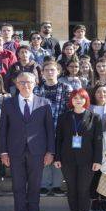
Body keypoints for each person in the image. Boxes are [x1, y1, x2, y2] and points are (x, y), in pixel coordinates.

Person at [0, 72, 55, 211]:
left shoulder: (44, 103)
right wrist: (3, 152)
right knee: (18, 187)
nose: (25, 85)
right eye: (22, 82)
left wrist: (50, 151)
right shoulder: (8, 103)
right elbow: (3, 129)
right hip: (15, 152)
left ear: (35, 83)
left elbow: (49, 130)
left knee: (35, 187)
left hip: (37, 152)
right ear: (16, 84)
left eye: (29, 82)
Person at [54, 89, 103, 211]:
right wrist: (57, 157)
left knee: (83, 189)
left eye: (81, 98)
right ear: (71, 100)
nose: (78, 100)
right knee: (72, 189)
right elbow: (59, 139)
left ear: (86, 100)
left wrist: (97, 160)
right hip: (67, 159)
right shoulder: (64, 117)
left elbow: (98, 140)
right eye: (75, 98)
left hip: (87, 160)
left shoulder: (95, 118)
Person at [34, 61, 72, 196]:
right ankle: (44, 185)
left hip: (61, 128)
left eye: (52, 70)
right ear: (42, 73)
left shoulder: (66, 88)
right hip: (41, 129)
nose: (50, 72)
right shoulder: (37, 89)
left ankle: (56, 185)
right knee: (44, 155)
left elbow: (70, 109)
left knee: (58, 156)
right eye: (47, 70)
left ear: (58, 72)